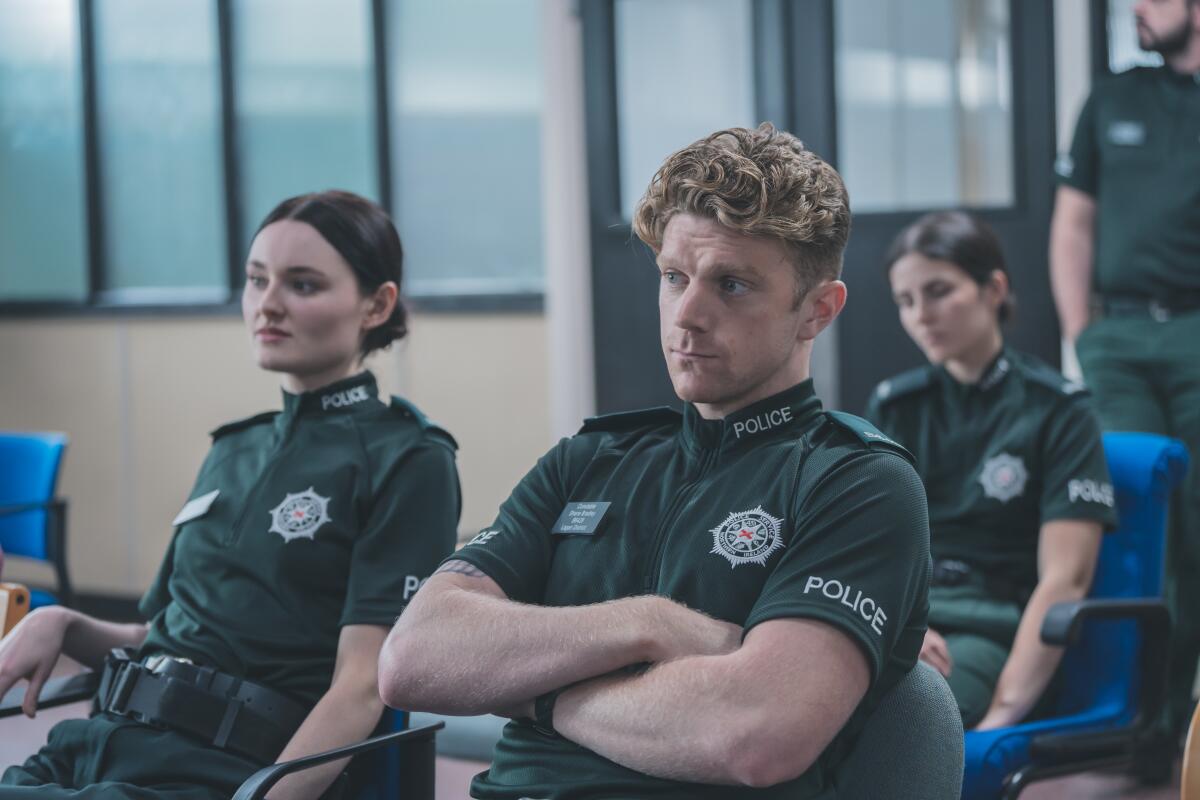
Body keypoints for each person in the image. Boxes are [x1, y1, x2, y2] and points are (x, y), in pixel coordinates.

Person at [379, 124, 931, 799]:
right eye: (674, 277)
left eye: (731, 285)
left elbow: (754, 734)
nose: (686, 315)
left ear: (816, 311)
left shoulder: (858, 482)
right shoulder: (589, 460)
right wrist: (649, 625)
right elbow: (413, 657)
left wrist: (535, 693)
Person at [0, 190, 461, 799]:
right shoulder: (232, 449)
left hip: (216, 773)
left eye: (302, 285)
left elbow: (362, 685)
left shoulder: (408, 459)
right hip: (91, 748)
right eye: (256, 279)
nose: (266, 305)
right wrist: (60, 621)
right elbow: (164, 633)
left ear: (376, 305)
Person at [865, 211, 1116, 730]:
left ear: (993, 288)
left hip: (989, 629)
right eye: (906, 302)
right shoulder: (895, 406)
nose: (921, 316)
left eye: (938, 291)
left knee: (899, 723)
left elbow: (1065, 580)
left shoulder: (1059, 409)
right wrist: (896, 624)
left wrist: (998, 722)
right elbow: (869, 547)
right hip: (906, 621)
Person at [1049, 0, 1200, 760]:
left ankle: (1179, 737)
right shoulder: (1112, 98)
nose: (1139, 7)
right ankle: (1129, 728)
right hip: (1120, 341)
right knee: (1134, 531)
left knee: (1197, 537)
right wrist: (1085, 335)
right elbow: (1073, 221)